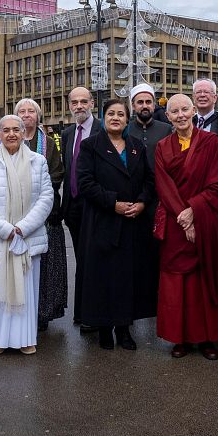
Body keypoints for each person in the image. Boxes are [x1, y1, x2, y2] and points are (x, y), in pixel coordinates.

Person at [154, 94, 218, 360]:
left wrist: (194, 211)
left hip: (206, 222)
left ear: (194, 111)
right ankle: (180, 339)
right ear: (167, 116)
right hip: (175, 223)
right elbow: (163, 186)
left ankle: (207, 339)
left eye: (184, 109)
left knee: (204, 281)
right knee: (177, 284)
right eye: (174, 111)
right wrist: (183, 215)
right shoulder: (162, 147)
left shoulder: (211, 143)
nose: (180, 115)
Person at [0, 114, 53, 355]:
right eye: (6, 130)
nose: (12, 134)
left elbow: (46, 198)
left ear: (25, 132)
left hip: (27, 238)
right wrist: (5, 229)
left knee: (27, 290)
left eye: (17, 129)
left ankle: (25, 339)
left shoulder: (38, 161)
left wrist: (23, 228)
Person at [76, 99, 156, 351]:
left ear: (127, 119)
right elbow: (85, 183)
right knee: (103, 278)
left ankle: (124, 329)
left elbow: (149, 181)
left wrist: (142, 203)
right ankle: (104, 329)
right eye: (111, 113)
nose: (116, 118)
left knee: (127, 278)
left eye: (121, 114)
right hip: (103, 220)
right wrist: (114, 203)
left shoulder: (135, 147)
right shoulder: (91, 146)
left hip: (132, 221)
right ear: (103, 116)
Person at [16, 98, 67, 332]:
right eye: (22, 111)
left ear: (38, 116)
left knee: (46, 265)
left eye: (31, 112)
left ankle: (43, 312)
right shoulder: (9, 138)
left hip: (45, 210)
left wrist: (35, 189)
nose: (27, 115)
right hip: (15, 211)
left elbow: (57, 173)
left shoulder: (47, 143)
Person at [60, 86, 102, 331]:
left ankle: (93, 313)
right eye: (74, 102)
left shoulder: (102, 129)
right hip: (74, 207)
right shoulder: (67, 133)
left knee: (94, 260)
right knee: (81, 260)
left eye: (83, 101)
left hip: (96, 206)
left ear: (92, 104)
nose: (79, 106)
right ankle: (81, 312)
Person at [127, 83, 172, 169]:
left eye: (148, 102)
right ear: (133, 106)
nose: (145, 106)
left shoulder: (166, 129)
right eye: (140, 102)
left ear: (154, 105)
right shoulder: (126, 129)